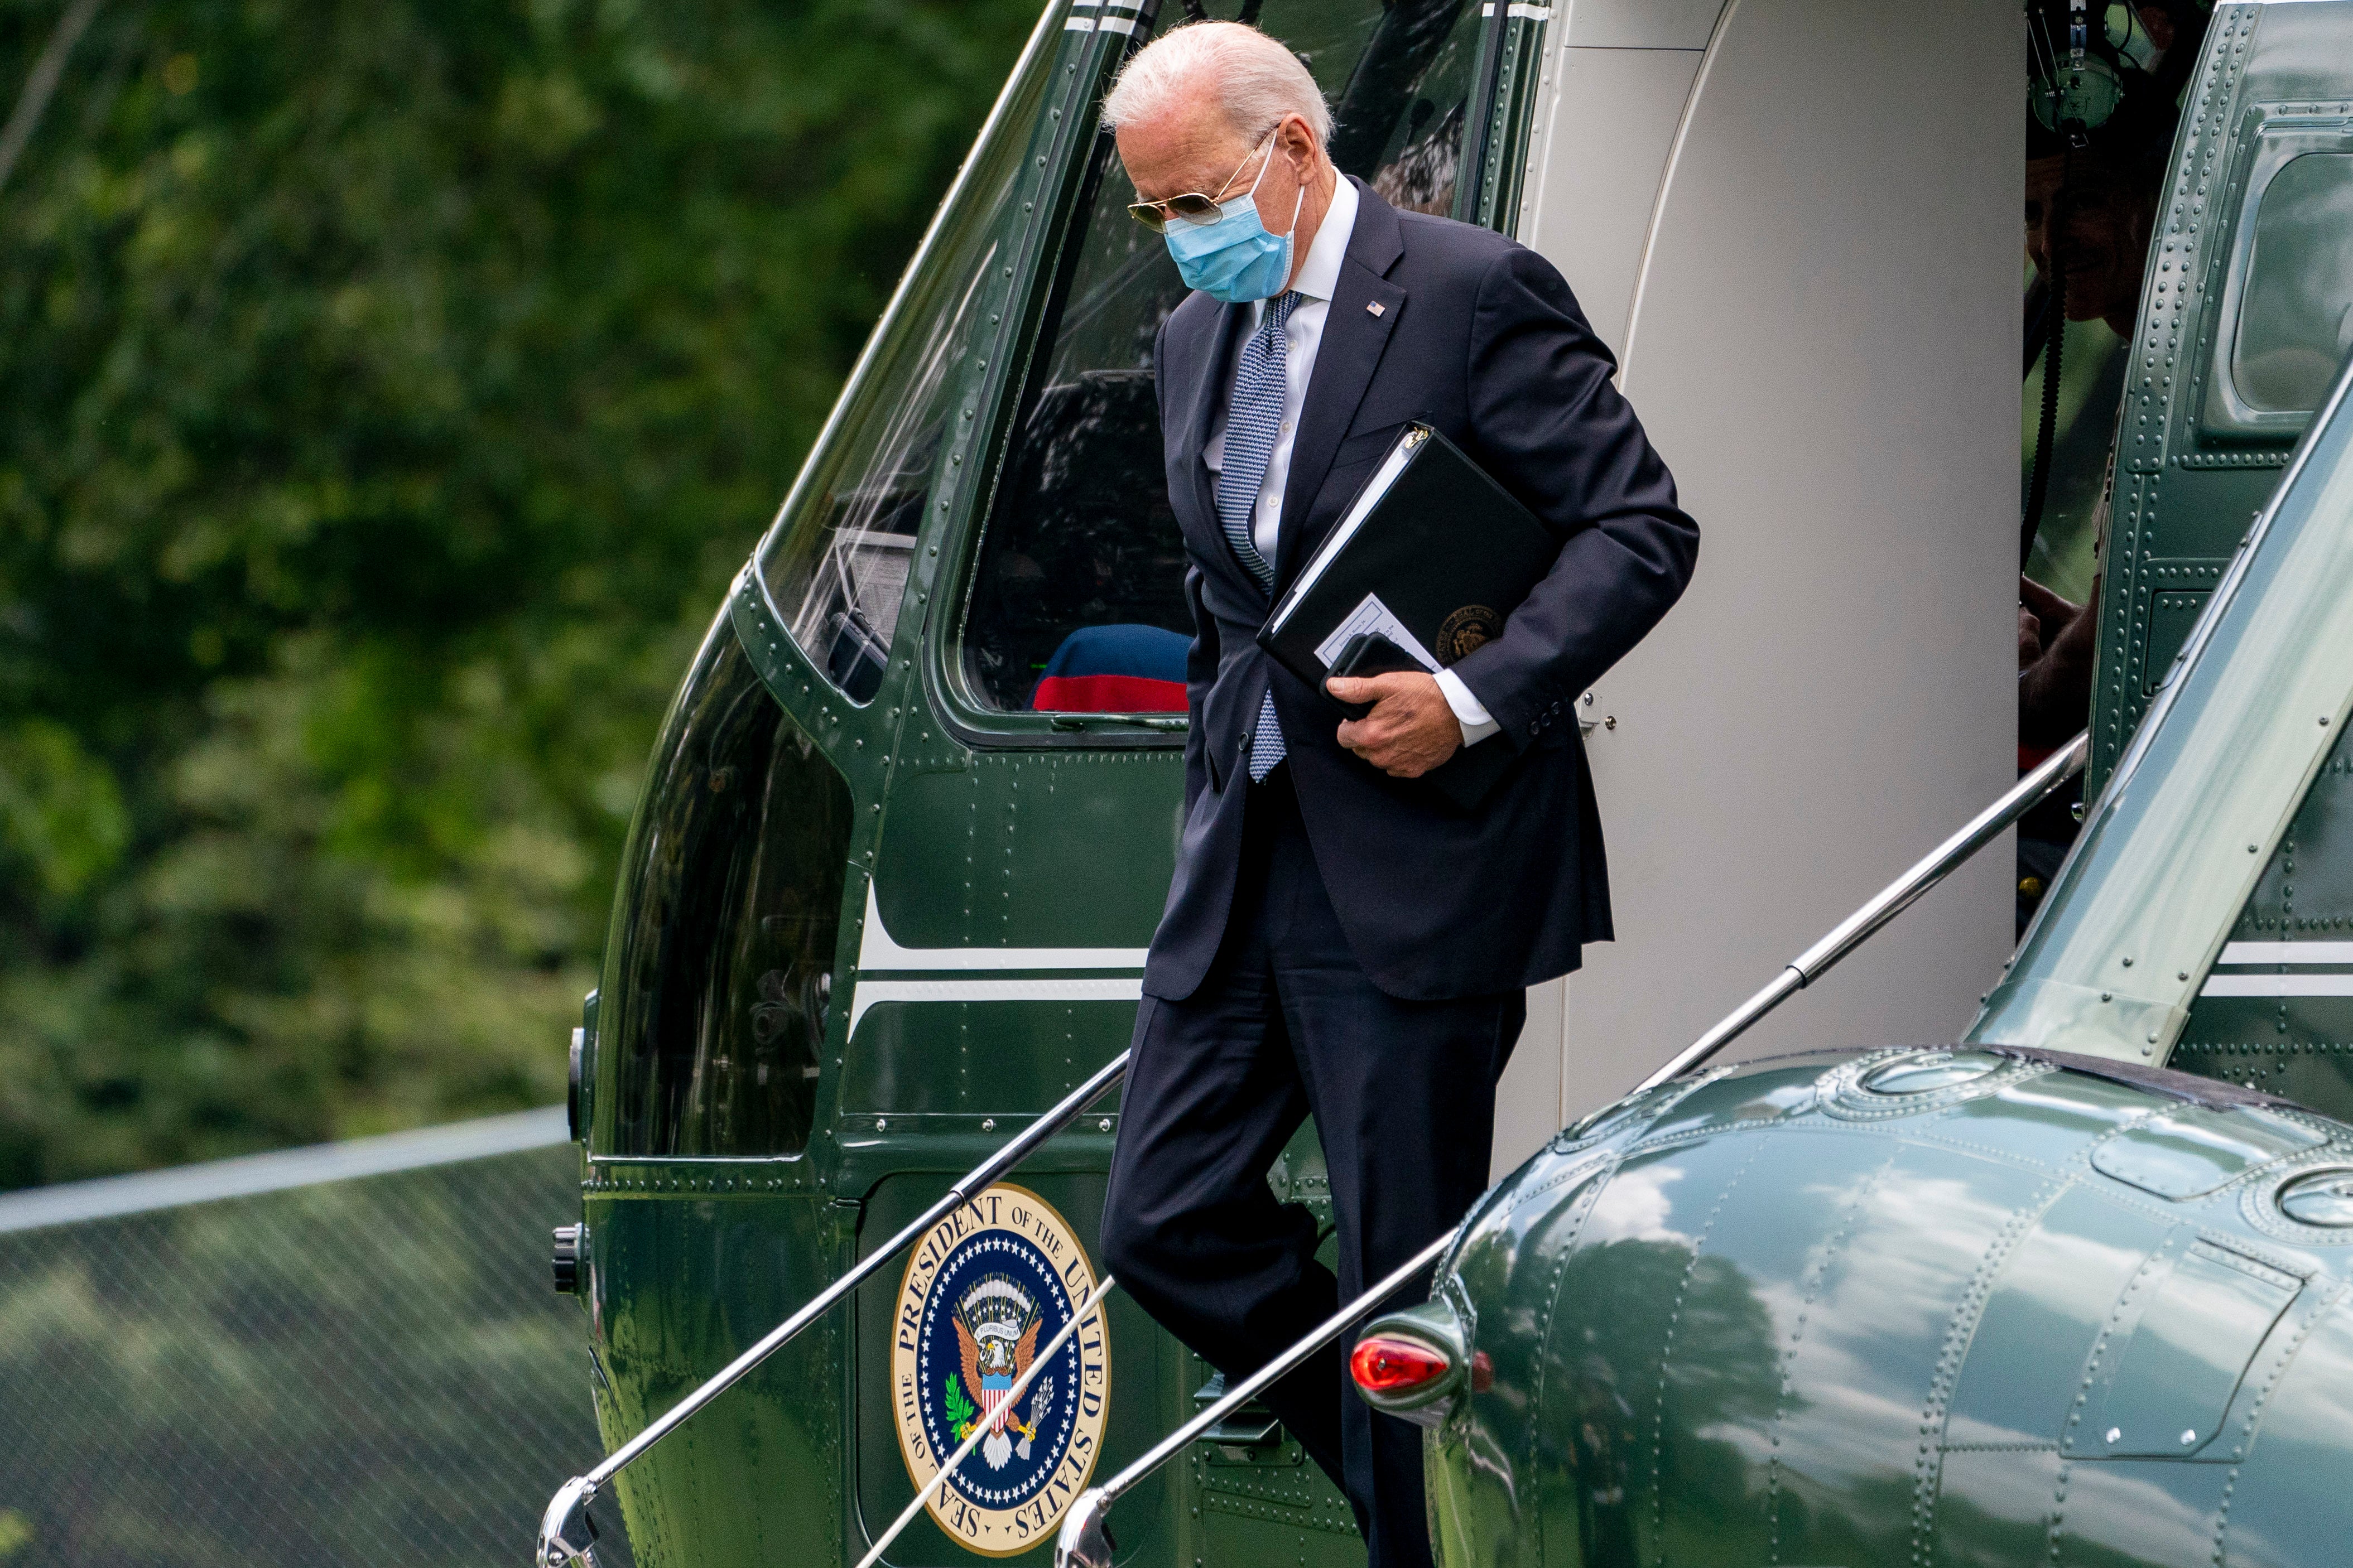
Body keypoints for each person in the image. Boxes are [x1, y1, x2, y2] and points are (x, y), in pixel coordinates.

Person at [1093, 22, 1698, 1568]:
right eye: (1150, 214)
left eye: (1194, 200)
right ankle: (1422, 1489)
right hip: (1248, 857)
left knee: (1395, 1266)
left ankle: (1418, 1528)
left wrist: (1472, 701)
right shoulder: (1188, 344)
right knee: (1163, 1219)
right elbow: (1228, 588)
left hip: (1424, 859)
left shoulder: (1471, 291)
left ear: (1291, 148)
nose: (1177, 242)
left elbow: (1637, 527)